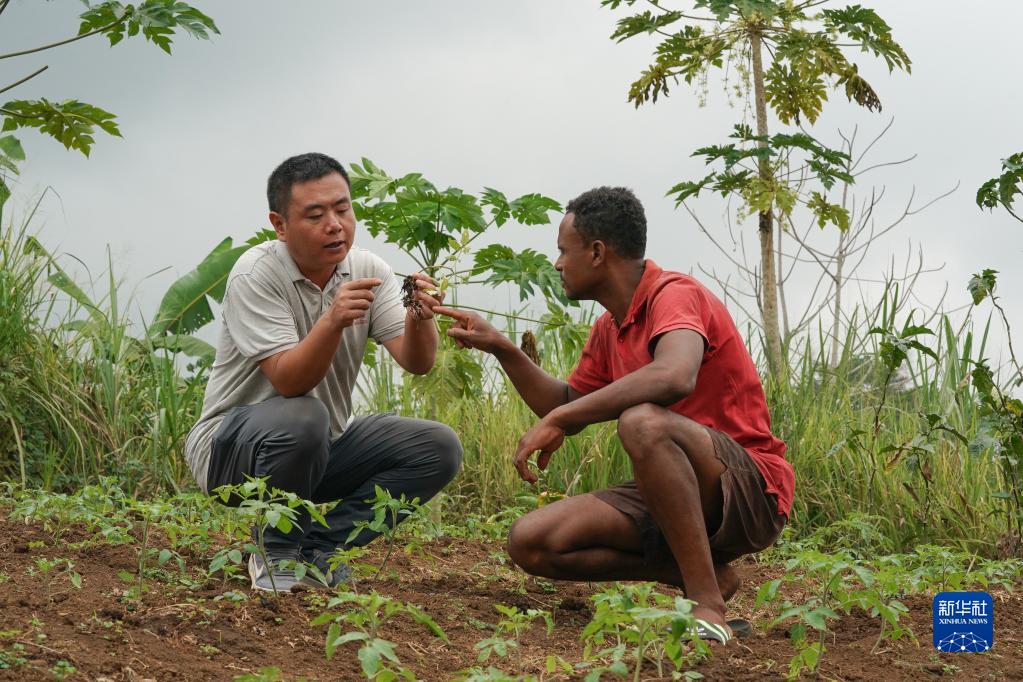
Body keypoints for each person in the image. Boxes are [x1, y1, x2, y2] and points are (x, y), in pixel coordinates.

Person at [434, 186, 793, 643]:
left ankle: (708, 606)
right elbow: (566, 401)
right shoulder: (609, 327)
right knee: (533, 541)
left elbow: (674, 375)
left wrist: (561, 421)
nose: (558, 264)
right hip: (674, 489)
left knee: (641, 421)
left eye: (564, 251)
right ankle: (706, 574)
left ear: (598, 252)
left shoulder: (674, 295)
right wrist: (504, 349)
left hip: (748, 490)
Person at [184, 152, 462, 592]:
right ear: (280, 224)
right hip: (231, 452)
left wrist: (420, 316)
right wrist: (331, 321)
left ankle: (318, 545)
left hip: (318, 447)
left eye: (343, 209)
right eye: (315, 214)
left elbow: (417, 362)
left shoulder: (369, 269)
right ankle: (275, 551)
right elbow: (290, 382)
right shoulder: (256, 274)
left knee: (437, 447)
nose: (335, 224)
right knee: (304, 414)